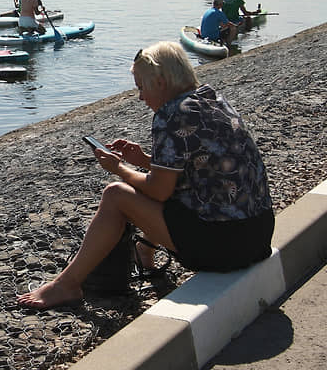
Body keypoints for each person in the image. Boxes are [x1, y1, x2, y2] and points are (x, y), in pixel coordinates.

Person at [17, 42, 273, 310]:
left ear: (160, 82)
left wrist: (119, 169)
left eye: (141, 87)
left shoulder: (171, 115)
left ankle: (65, 285)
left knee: (116, 194)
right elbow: (201, 170)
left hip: (224, 248)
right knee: (158, 189)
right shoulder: (213, 101)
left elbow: (159, 191)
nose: (140, 96)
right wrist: (145, 161)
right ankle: (144, 256)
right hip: (258, 234)